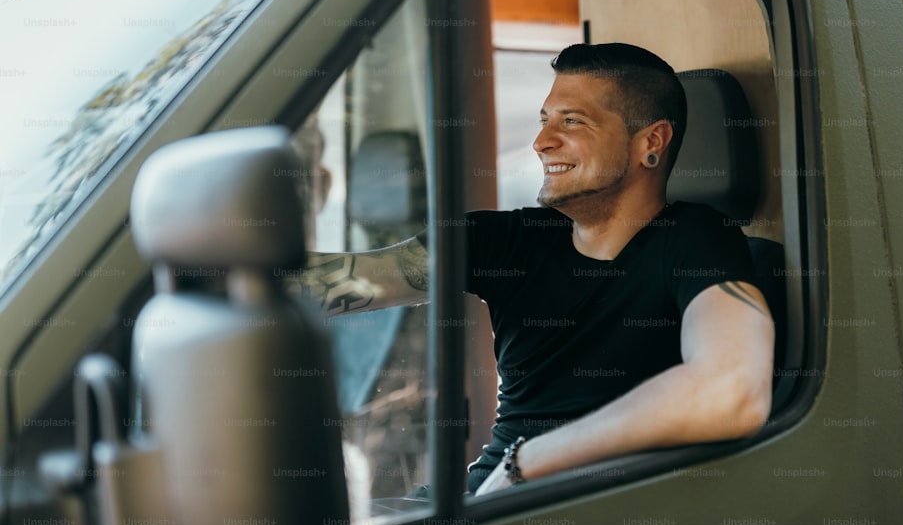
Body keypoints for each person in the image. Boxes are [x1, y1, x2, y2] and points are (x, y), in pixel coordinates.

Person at [293, 42, 774, 497]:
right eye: (544, 120)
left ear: (651, 141)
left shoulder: (696, 240)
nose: (542, 142)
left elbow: (731, 389)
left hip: (562, 511)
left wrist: (524, 464)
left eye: (572, 121)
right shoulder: (505, 240)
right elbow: (341, 279)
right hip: (483, 498)